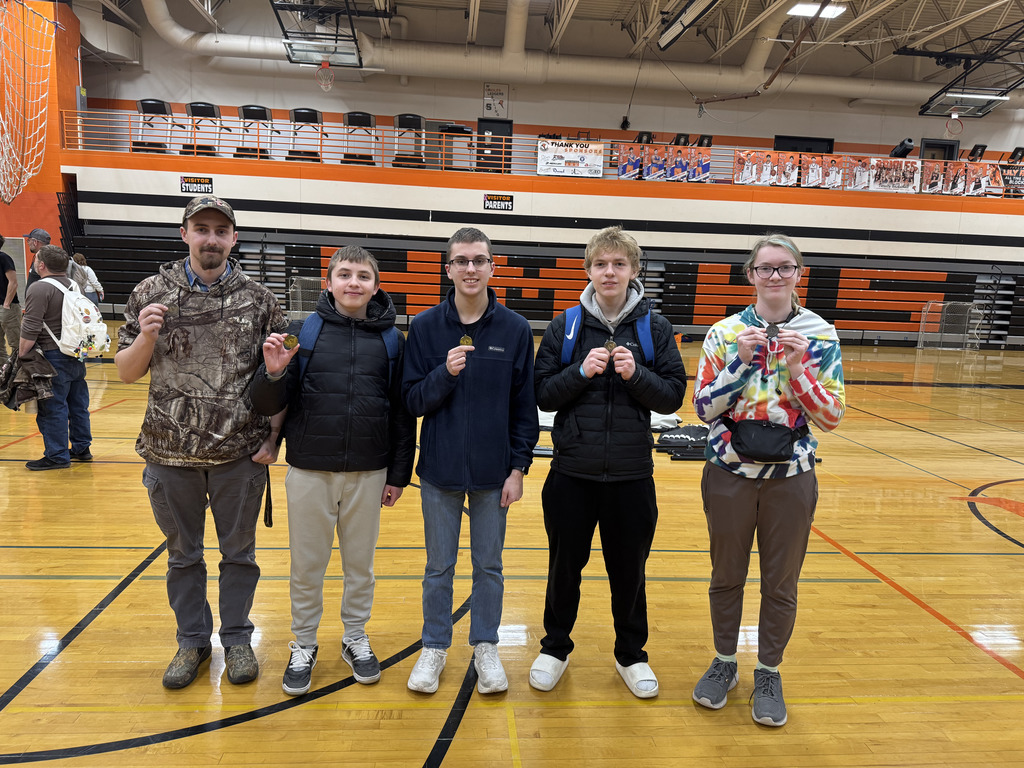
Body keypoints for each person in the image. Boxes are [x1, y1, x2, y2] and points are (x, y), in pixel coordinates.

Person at [115, 195, 288, 690]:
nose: (211, 238)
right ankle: (192, 641)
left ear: (233, 238)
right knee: (182, 557)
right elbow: (126, 374)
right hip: (169, 454)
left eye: (220, 230)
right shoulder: (151, 291)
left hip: (239, 455)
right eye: (201, 228)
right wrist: (146, 336)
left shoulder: (259, 298)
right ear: (185, 233)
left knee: (240, 557)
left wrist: (274, 437)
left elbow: (280, 378)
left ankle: (236, 639)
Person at [691, 233, 845, 727]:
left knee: (781, 582)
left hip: (791, 478)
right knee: (726, 576)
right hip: (729, 473)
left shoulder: (821, 335)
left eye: (783, 268)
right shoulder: (724, 332)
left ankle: (769, 671)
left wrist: (799, 370)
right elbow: (702, 409)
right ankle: (724, 662)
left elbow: (832, 417)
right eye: (764, 268)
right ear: (751, 275)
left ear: (798, 273)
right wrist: (739, 360)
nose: (774, 276)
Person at [249, 245, 416, 696]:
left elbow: (402, 412)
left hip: (369, 472)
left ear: (376, 286)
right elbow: (269, 403)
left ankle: (355, 636)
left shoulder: (392, 340)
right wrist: (272, 375)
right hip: (309, 470)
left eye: (363, 276)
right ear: (329, 283)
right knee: (308, 566)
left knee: (360, 567)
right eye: (344, 274)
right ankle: (303, 643)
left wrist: (399, 473)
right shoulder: (302, 332)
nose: (353, 283)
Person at [529, 226, 687, 699]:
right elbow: (542, 392)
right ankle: (555, 647)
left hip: (631, 474)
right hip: (571, 473)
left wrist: (637, 375)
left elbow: (673, 396)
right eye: (601, 264)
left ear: (634, 271)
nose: (610, 272)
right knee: (563, 567)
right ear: (589, 270)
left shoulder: (653, 328)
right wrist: (579, 372)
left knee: (629, 572)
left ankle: (631, 655)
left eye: (619, 264)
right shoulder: (566, 325)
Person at [402, 226, 539, 695]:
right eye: (461, 261)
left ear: (492, 267)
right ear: (449, 269)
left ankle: (485, 644)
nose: (470, 269)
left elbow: (525, 409)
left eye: (479, 260)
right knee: (438, 567)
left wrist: (518, 468)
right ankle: (435, 645)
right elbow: (412, 401)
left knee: (490, 567)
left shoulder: (516, 330)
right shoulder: (422, 328)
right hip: (439, 473)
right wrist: (444, 373)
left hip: (493, 474)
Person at [18, 244, 93, 470]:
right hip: (76, 353)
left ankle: (57, 455)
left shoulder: (39, 288)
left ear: (41, 265)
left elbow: (31, 326)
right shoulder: (74, 285)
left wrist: (21, 354)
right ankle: (81, 448)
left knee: (52, 406)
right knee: (77, 404)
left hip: (52, 354)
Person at [0, 234, 21, 359]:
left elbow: (13, 282)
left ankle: (20, 374)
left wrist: (6, 304)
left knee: (16, 343)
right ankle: (3, 374)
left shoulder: (4, 258)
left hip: (7, 307)